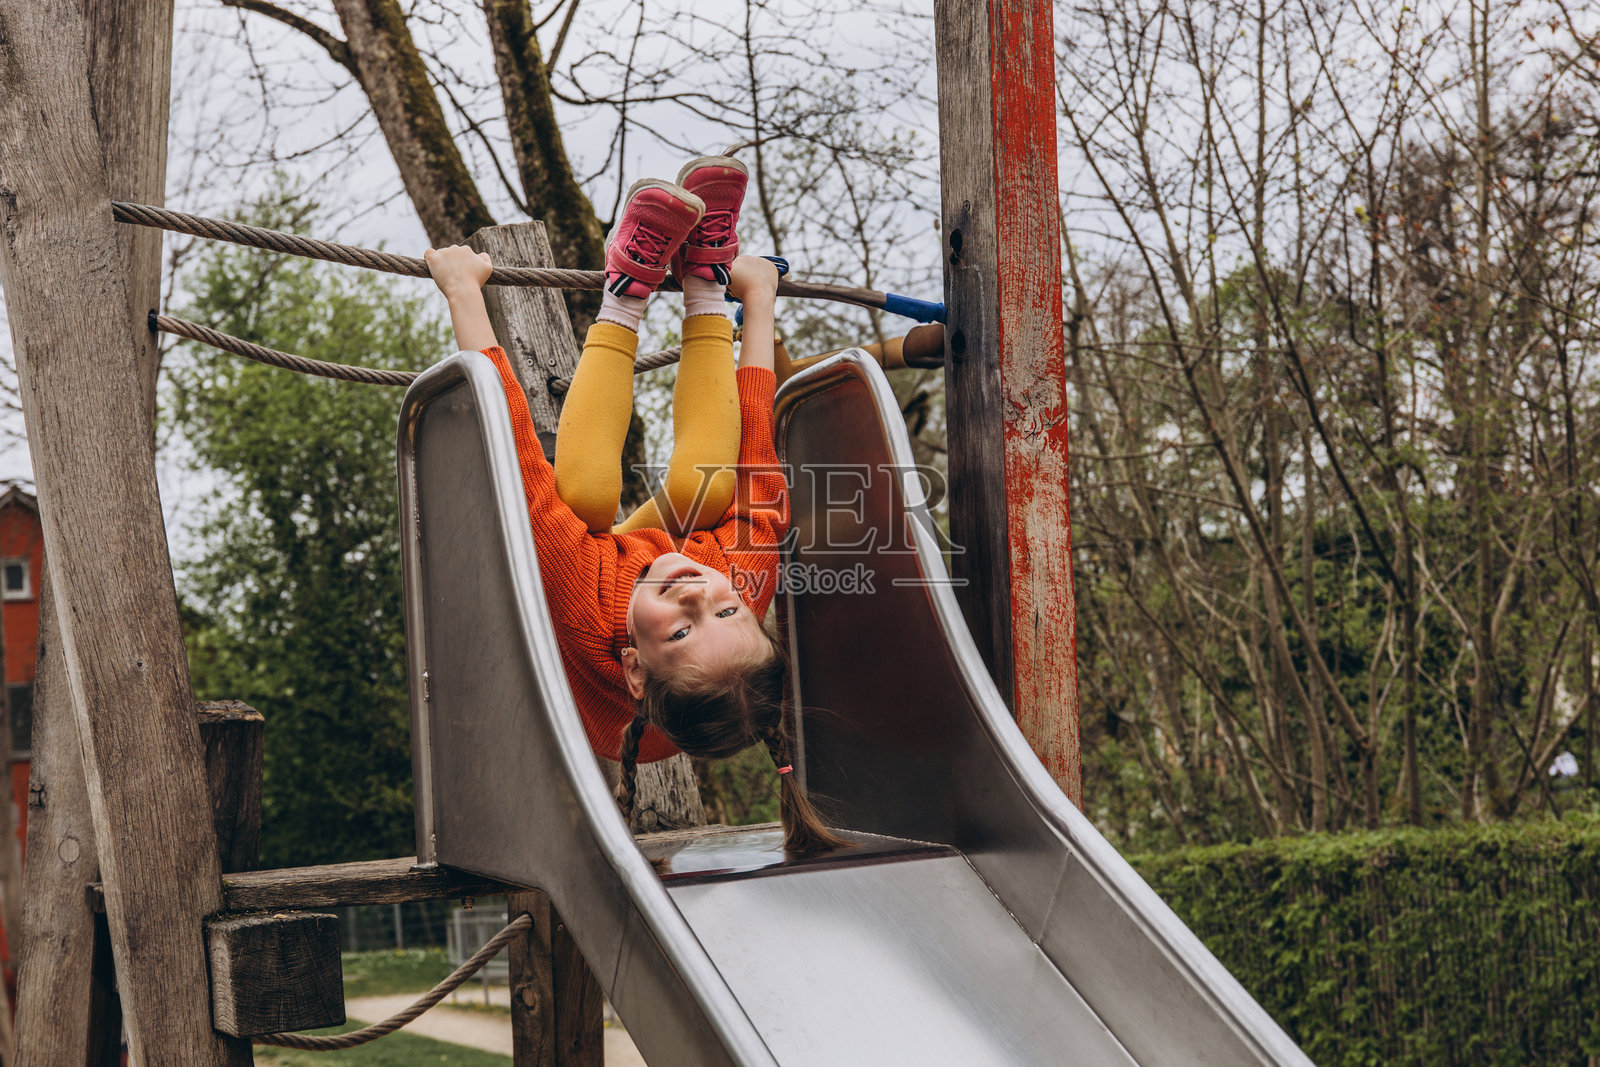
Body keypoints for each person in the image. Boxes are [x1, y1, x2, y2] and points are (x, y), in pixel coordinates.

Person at [426, 155, 842, 853]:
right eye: (725, 609)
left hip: (582, 586)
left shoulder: (585, 610)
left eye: (681, 632)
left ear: (634, 666)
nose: (693, 597)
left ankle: (624, 287)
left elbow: (520, 466)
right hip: (636, 568)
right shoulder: (733, 579)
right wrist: (755, 298)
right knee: (710, 485)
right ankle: (705, 274)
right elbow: (760, 460)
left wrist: (463, 292)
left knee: (582, 493)